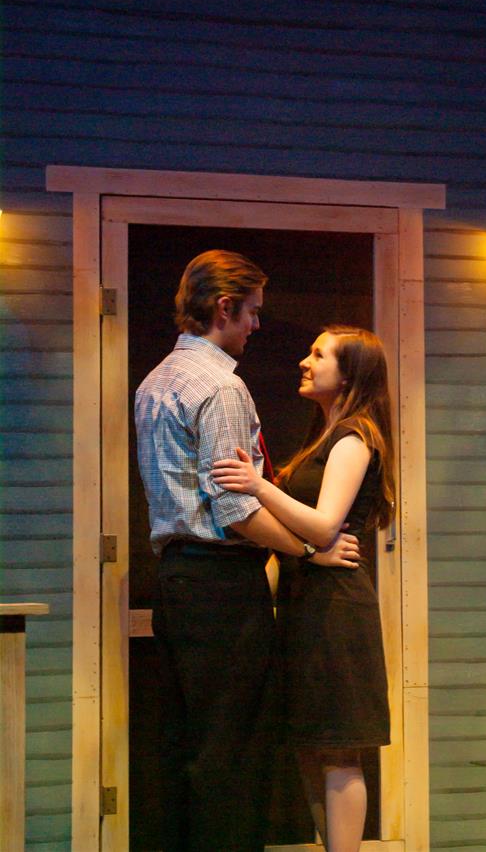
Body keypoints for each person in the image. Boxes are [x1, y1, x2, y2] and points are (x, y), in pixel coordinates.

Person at [135, 251, 360, 852]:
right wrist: (308, 553)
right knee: (232, 751)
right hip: (222, 588)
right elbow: (236, 510)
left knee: (185, 745)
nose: (257, 326)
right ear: (224, 308)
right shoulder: (221, 387)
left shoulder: (154, 381)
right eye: (252, 313)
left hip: (176, 582)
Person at [212, 324, 394, 852]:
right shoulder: (324, 437)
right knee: (311, 746)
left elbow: (321, 526)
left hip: (336, 610)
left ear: (349, 374)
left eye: (319, 354)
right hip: (305, 604)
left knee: (338, 748)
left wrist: (258, 484)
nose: (304, 361)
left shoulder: (355, 437)